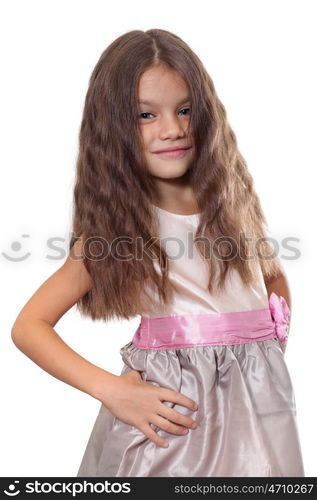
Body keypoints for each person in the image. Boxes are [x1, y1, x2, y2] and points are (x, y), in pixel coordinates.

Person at [11, 28, 305, 477]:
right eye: (146, 115)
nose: (173, 128)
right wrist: (113, 390)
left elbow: (270, 273)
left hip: (258, 416)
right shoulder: (120, 229)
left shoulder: (228, 203)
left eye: (184, 110)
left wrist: (267, 343)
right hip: (174, 429)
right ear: (113, 128)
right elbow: (29, 326)